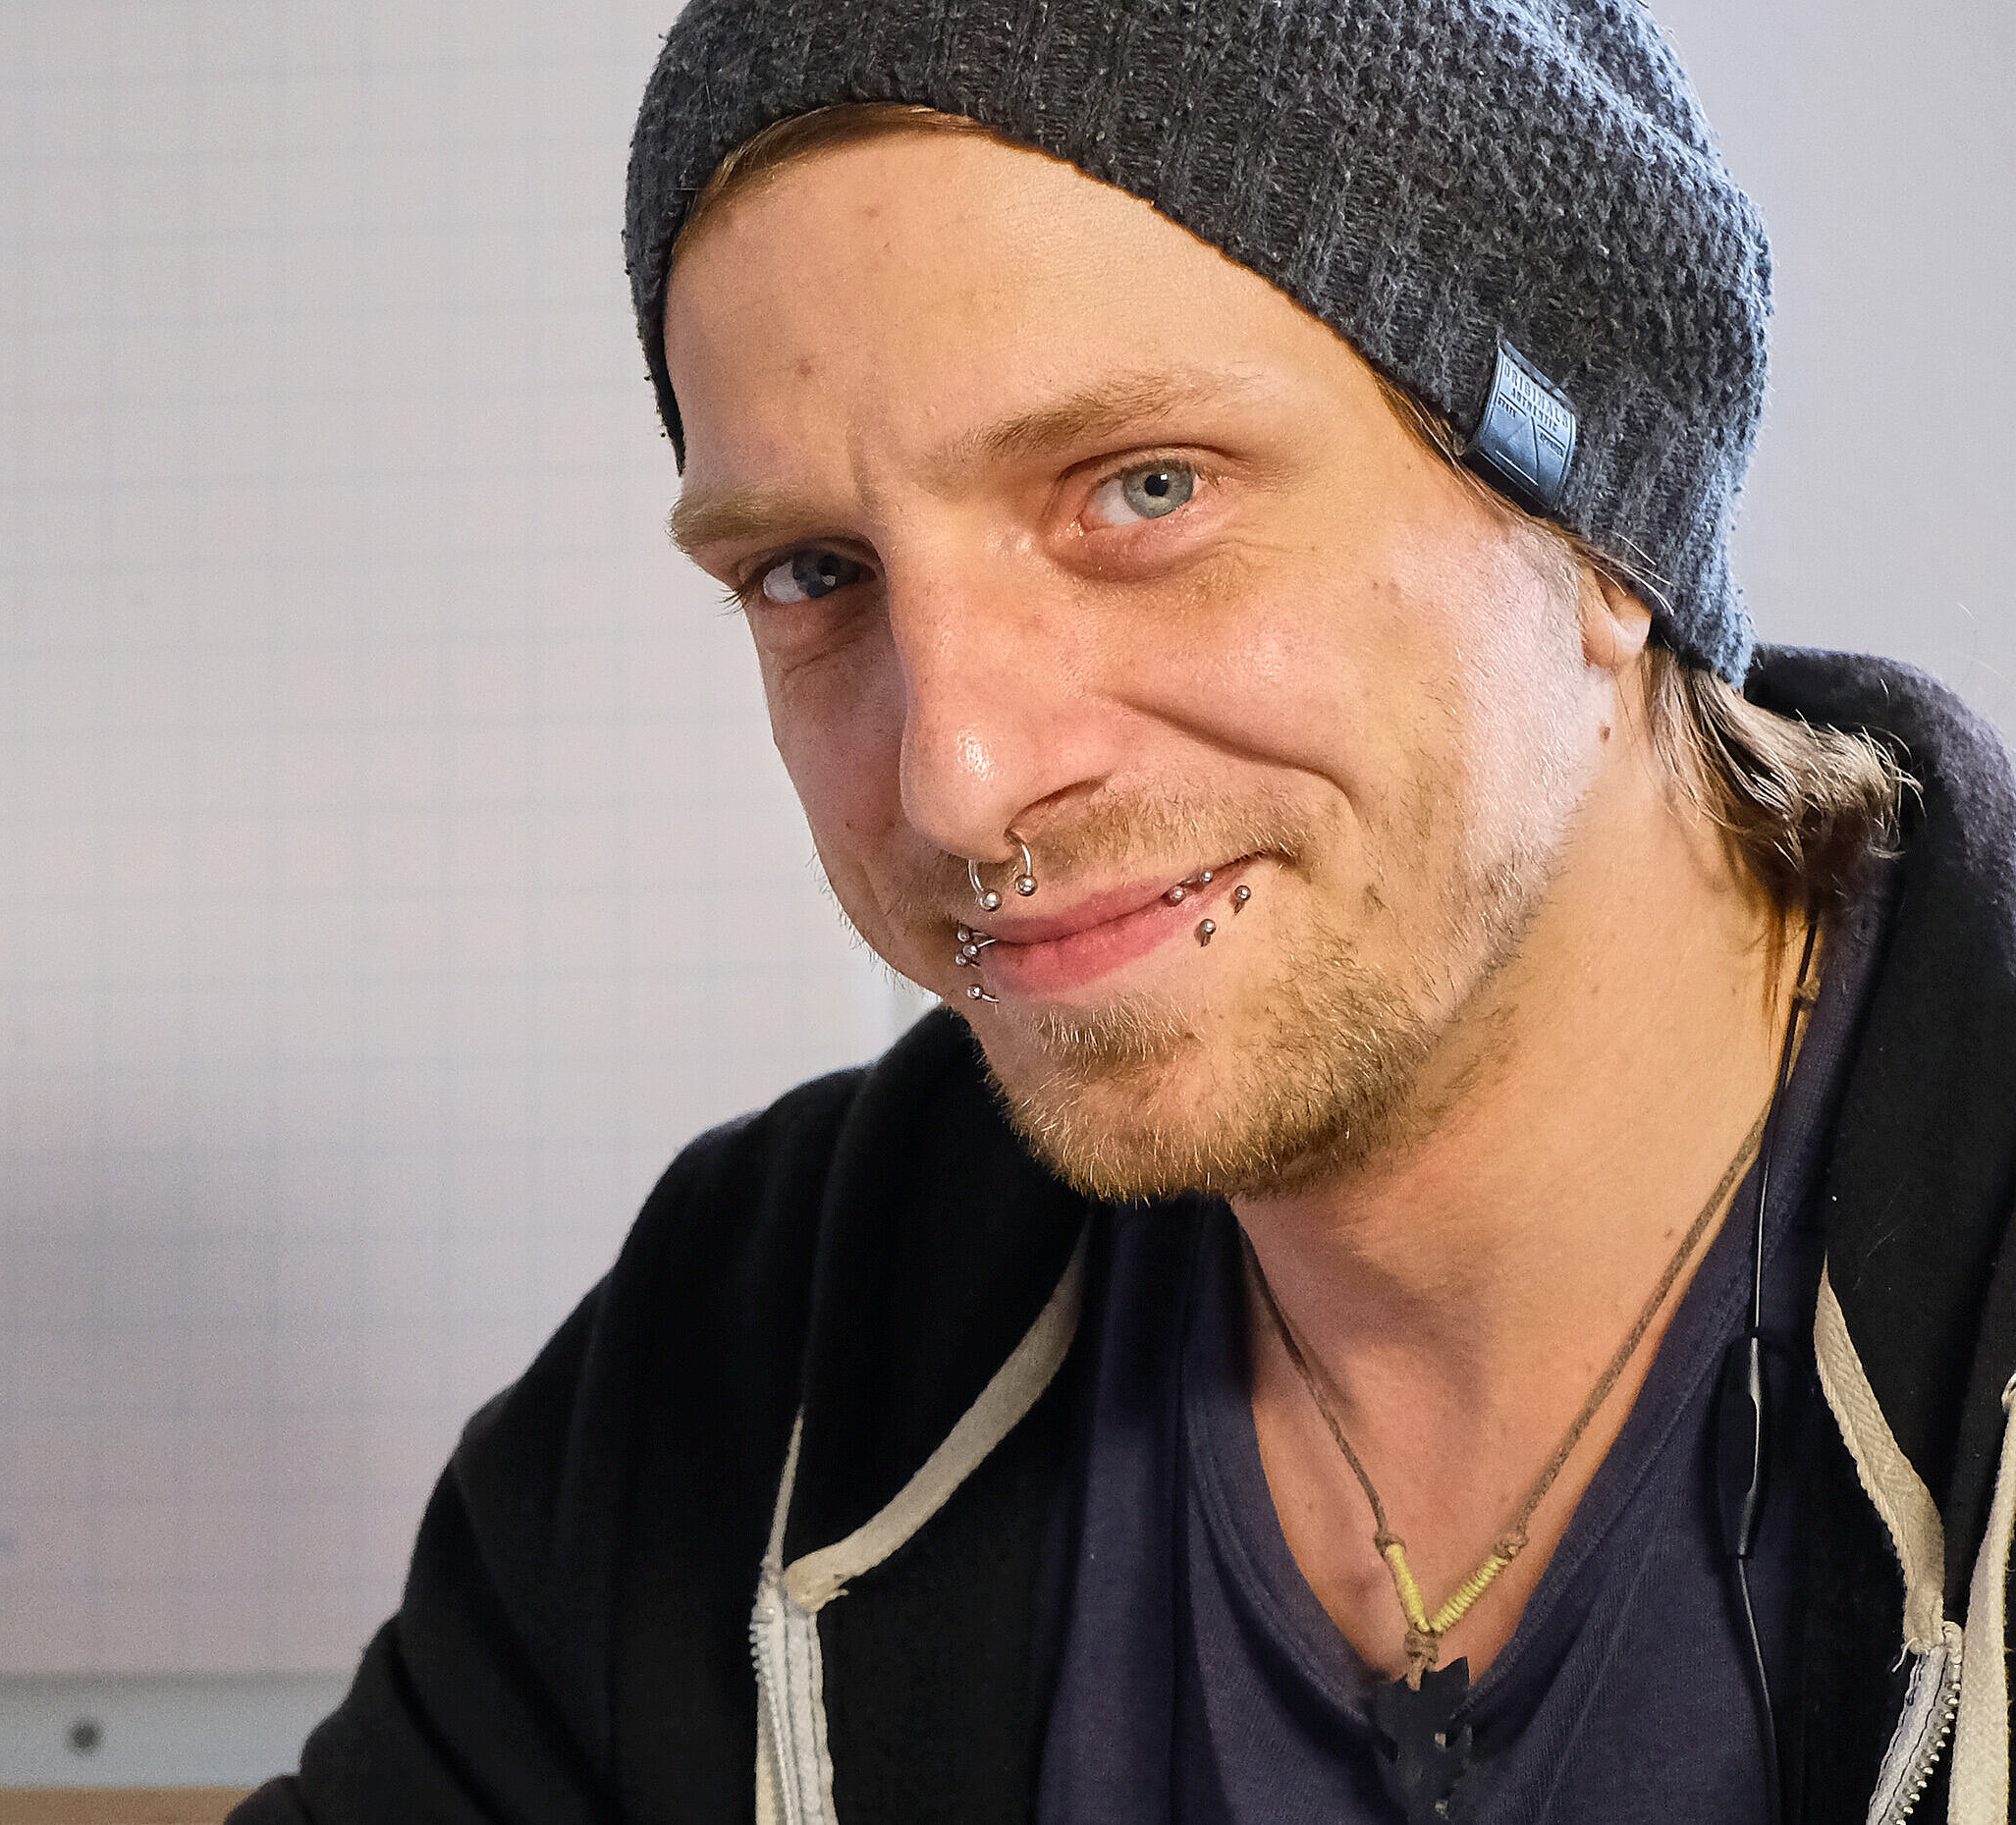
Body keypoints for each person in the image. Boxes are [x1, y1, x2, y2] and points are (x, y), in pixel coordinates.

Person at [233, 1, 2016, 1819]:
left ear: (1596, 519)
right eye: (812, 572)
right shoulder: (754, 1350)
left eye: (1142, 490)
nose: (958, 777)